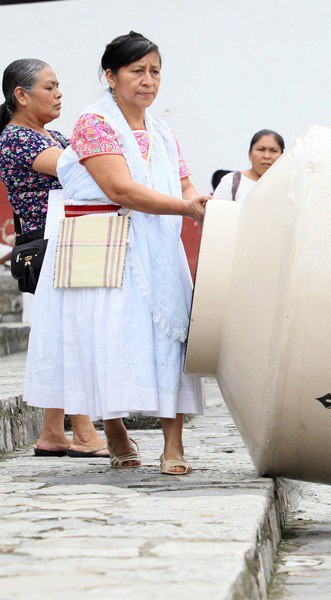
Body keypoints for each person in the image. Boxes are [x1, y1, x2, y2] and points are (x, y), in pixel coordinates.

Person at [23, 32, 209, 475]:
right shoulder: (94, 123)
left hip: (157, 244)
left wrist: (198, 202)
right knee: (103, 336)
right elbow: (119, 188)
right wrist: (186, 208)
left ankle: (174, 443)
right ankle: (115, 430)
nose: (148, 81)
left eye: (155, 72)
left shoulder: (162, 130)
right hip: (101, 244)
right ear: (111, 76)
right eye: (137, 71)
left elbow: (183, 182)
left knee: (169, 339)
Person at [0, 58, 109, 459]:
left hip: (68, 242)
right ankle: (84, 432)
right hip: (50, 247)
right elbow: (80, 172)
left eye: (58, 85)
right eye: (49, 87)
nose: (59, 93)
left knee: (64, 332)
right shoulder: (16, 139)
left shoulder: (54, 136)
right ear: (21, 95)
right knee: (72, 334)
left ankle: (51, 433)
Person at [212, 129, 284, 201]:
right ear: (250, 154)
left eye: (274, 151)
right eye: (261, 149)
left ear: (282, 156)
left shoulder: (287, 185)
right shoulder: (231, 181)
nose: (266, 156)